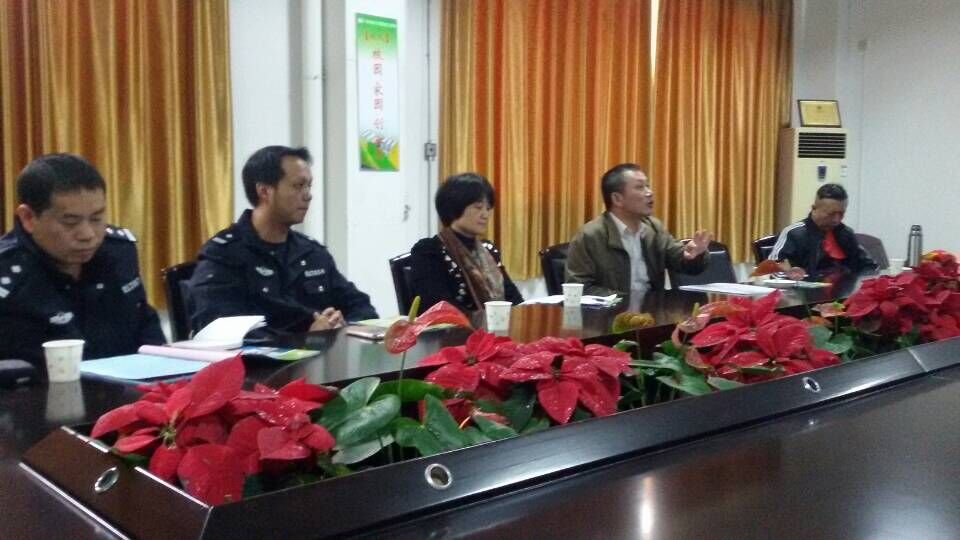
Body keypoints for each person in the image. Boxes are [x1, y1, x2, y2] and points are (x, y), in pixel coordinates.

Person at [0, 153, 165, 372]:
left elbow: (148, 333)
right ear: (28, 218)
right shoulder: (7, 276)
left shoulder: (118, 252)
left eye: (96, 218)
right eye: (70, 222)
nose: (88, 234)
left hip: (130, 387)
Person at [189, 146, 377, 333]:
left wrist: (341, 325)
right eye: (298, 185)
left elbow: (362, 307)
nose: (308, 195)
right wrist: (306, 337)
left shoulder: (312, 253)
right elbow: (216, 328)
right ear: (264, 191)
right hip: (265, 353)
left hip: (320, 352)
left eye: (309, 185)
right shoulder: (224, 254)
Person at [565, 163, 711, 297]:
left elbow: (683, 264)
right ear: (617, 199)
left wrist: (694, 255)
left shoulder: (654, 228)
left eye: (648, 186)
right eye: (640, 187)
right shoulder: (591, 235)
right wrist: (624, 301)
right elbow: (579, 288)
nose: (649, 193)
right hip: (611, 314)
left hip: (651, 313)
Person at [409, 172, 523, 314]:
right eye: (478, 207)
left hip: (494, 324)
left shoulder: (488, 250)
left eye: (488, 208)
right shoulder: (429, 251)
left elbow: (514, 298)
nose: (485, 215)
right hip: (455, 327)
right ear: (454, 207)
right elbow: (439, 307)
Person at [769, 183, 877, 278]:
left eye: (841, 214)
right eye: (831, 214)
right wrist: (793, 275)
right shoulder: (794, 234)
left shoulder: (845, 233)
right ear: (814, 209)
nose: (836, 220)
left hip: (842, 292)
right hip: (805, 293)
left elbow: (870, 267)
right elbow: (772, 271)